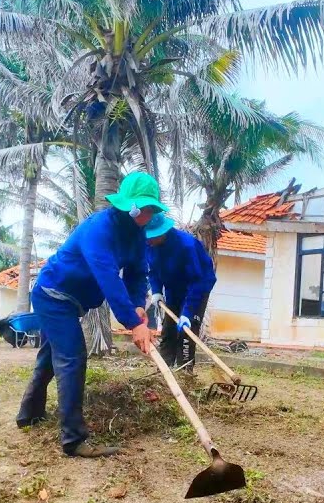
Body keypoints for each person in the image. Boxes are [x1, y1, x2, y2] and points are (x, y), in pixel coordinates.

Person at [15, 171, 166, 458]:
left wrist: (136, 305)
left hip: (73, 302)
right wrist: (134, 324)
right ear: (127, 205)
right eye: (142, 209)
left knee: (51, 357)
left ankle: (28, 414)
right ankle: (73, 440)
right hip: (53, 295)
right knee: (72, 357)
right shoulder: (99, 230)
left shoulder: (136, 235)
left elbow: (137, 274)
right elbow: (108, 278)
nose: (146, 216)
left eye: (151, 210)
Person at [144, 215, 216, 369]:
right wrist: (156, 291)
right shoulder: (150, 245)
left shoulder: (187, 246)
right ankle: (164, 372)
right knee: (168, 330)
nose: (148, 240)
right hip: (173, 288)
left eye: (151, 236)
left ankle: (185, 374)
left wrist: (188, 313)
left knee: (186, 332)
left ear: (162, 233)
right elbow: (153, 271)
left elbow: (197, 281)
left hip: (197, 288)